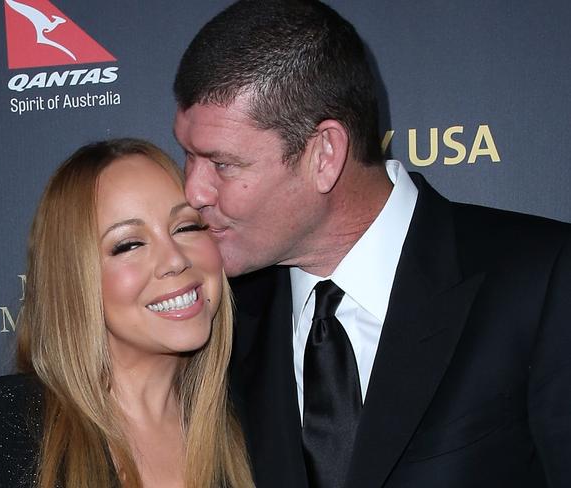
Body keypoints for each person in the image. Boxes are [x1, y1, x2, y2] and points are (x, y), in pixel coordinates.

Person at [172, 1, 571, 487]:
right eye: (188, 156)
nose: (193, 192)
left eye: (223, 164)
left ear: (325, 154)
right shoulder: (213, 324)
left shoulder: (543, 281)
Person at [0, 139, 254, 488]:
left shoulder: (253, 430)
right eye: (129, 244)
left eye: (185, 227)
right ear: (74, 280)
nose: (175, 260)